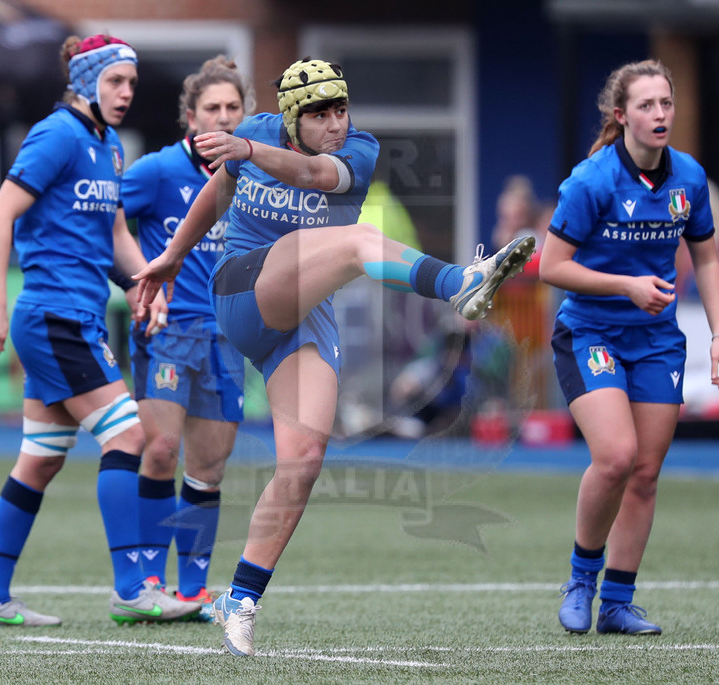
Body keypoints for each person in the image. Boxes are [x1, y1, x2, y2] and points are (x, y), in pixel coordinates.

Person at [134, 57, 536, 655]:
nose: (336, 123)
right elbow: (219, 192)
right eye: (320, 114)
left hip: (302, 314)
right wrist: (172, 255)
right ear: (293, 117)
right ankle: (459, 282)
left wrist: (246, 149)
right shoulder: (261, 134)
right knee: (352, 242)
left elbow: (316, 175)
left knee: (302, 461)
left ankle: (239, 599)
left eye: (340, 109)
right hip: (243, 288)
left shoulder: (358, 151)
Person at [0, 34, 200, 627]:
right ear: (87, 80)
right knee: (128, 436)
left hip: (77, 315)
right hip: (54, 317)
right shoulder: (57, 134)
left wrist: (139, 284)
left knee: (41, 460)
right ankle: (131, 589)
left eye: (131, 83)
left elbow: (118, 234)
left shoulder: (109, 144)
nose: (126, 93)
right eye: (116, 82)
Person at [539, 59, 719, 636]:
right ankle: (581, 578)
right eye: (647, 106)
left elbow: (706, 256)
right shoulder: (591, 181)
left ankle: (618, 604)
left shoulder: (689, 178)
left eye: (666, 104)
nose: (660, 115)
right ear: (621, 116)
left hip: (656, 342)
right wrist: (626, 286)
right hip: (590, 333)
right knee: (617, 456)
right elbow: (552, 266)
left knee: (645, 472)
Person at [121, 56, 254, 621]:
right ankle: (148, 579)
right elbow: (102, 220)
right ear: (190, 117)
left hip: (228, 337)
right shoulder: (154, 172)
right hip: (169, 333)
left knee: (209, 468)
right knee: (159, 449)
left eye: (233, 107)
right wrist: (136, 284)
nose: (223, 117)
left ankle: (195, 590)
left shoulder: (257, 173)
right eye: (212, 109)